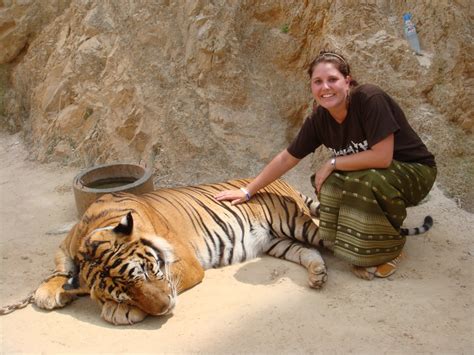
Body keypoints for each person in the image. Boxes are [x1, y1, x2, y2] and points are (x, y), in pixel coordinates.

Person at [214, 50, 436, 280]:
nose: (325, 87)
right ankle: (355, 243)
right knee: (333, 183)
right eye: (317, 82)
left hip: (415, 172)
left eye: (332, 79)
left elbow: (382, 157)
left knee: (366, 180)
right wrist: (248, 190)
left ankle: (391, 248)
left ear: (347, 81)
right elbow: (287, 158)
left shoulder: (370, 98)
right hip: (378, 174)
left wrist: (332, 162)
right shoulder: (320, 119)